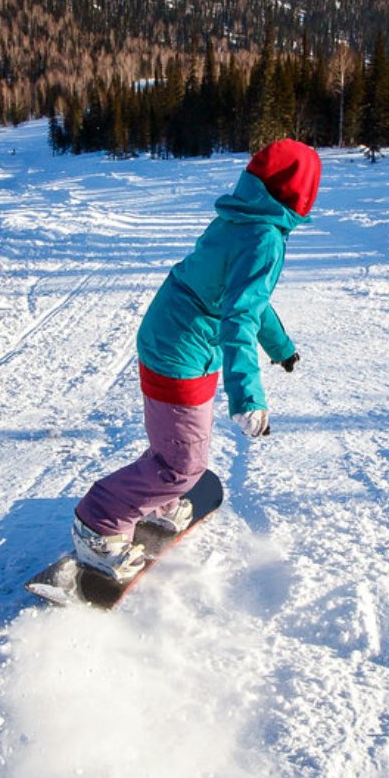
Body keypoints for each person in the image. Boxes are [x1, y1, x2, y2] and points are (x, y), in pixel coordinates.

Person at [72, 138, 322, 577]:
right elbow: (240, 316)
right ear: (301, 193)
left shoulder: (239, 217)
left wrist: (280, 346)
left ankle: (159, 501)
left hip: (176, 332)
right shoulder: (264, 238)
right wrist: (247, 397)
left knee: (176, 438)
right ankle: (100, 522)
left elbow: (246, 299)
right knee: (182, 465)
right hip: (182, 348)